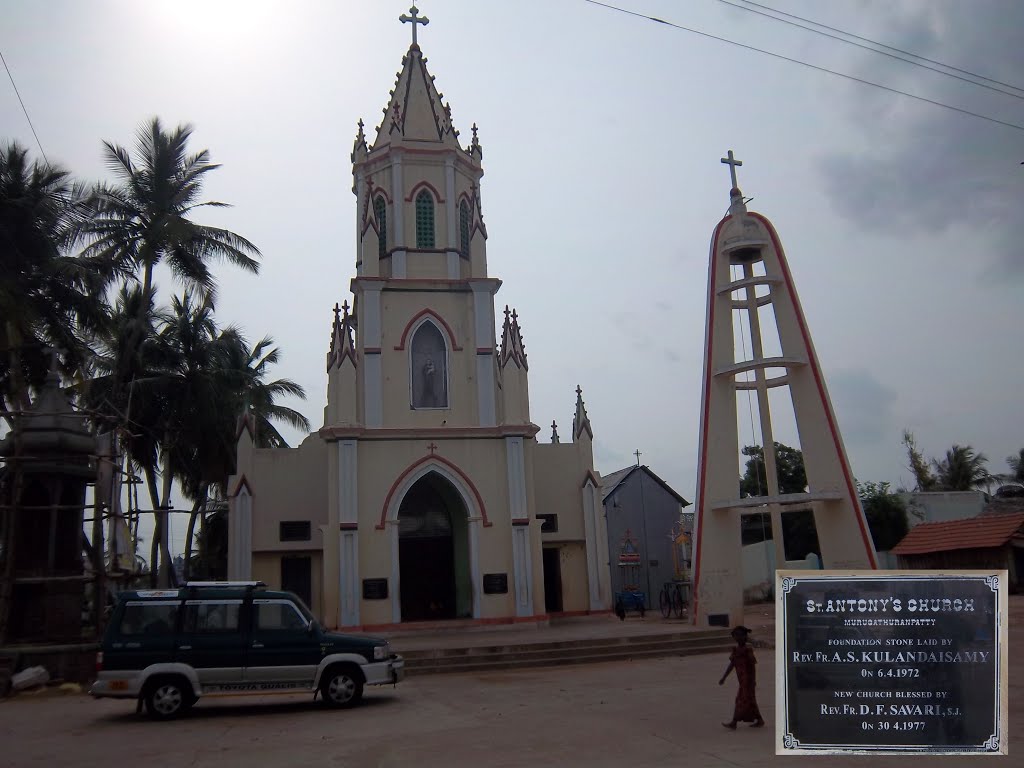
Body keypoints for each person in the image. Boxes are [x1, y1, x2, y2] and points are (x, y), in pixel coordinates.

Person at [719, 625, 765, 729]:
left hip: (747, 680)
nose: (738, 638)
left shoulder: (747, 651)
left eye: (740, 635)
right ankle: (759, 719)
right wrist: (724, 677)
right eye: (736, 636)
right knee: (749, 700)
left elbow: (752, 667)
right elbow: (732, 664)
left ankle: (734, 722)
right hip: (742, 681)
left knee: (741, 700)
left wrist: (753, 680)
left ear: (745, 637)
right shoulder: (736, 650)